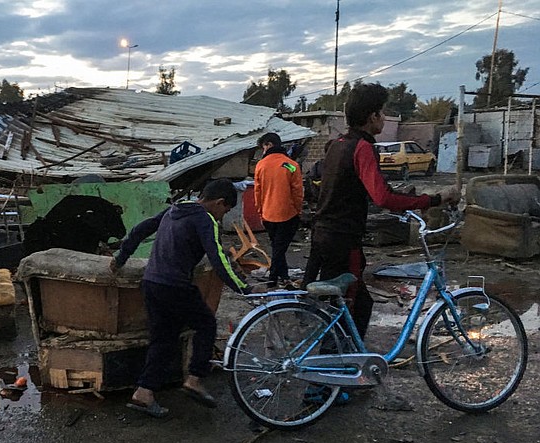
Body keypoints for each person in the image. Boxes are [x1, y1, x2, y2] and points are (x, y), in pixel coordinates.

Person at [303, 83, 459, 343]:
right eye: (382, 113)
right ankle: (338, 375)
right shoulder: (362, 147)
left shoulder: (337, 144)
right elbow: (383, 196)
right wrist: (434, 199)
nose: (384, 119)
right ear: (372, 116)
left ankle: (333, 371)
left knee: (341, 306)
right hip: (343, 239)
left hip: (323, 234)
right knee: (354, 307)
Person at [110, 178, 252, 418]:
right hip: (175, 286)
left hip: (152, 283)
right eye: (224, 211)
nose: (221, 217)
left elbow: (141, 229)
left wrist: (121, 257)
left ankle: (144, 392)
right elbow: (218, 257)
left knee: (164, 338)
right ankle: (195, 378)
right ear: (219, 202)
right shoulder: (205, 219)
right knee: (206, 324)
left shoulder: (176, 209)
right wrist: (244, 289)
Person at [254, 132, 304, 287]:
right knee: (279, 249)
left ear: (269, 145)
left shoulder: (261, 165)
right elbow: (297, 192)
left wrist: (260, 212)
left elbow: (258, 192)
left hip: (268, 213)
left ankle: (283, 276)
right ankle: (274, 278)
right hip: (288, 214)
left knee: (277, 247)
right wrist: (298, 210)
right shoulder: (290, 165)